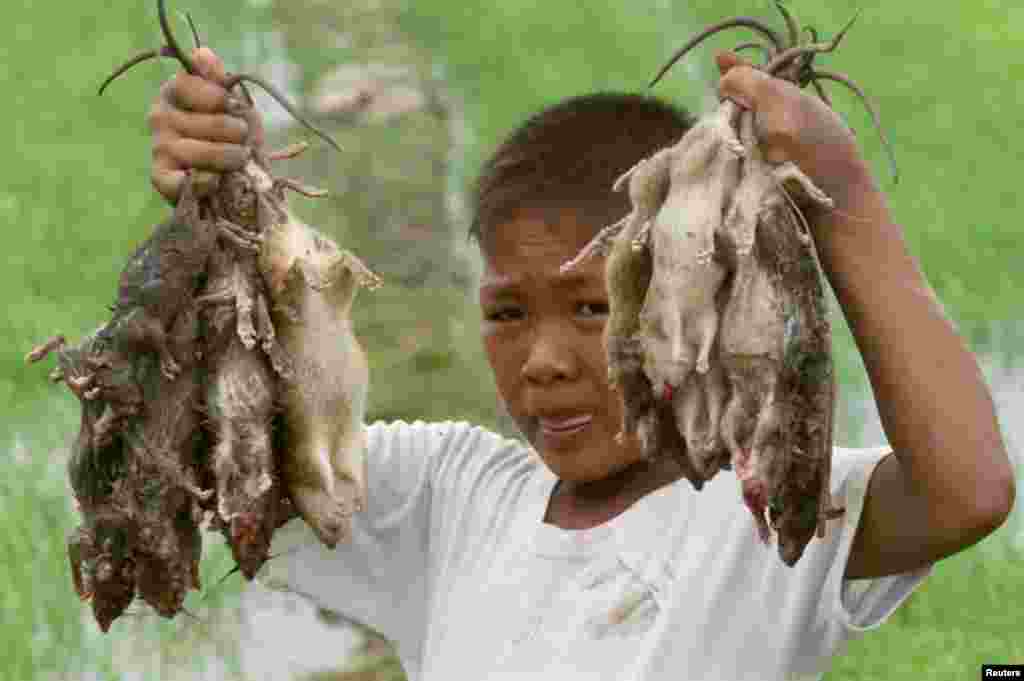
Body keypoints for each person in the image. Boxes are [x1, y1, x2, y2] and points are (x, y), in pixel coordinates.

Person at [147, 47, 1014, 680]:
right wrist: (222, 203)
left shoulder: (759, 515)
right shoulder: (451, 499)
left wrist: (841, 191)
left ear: (694, 306)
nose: (545, 361)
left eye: (595, 307)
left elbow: (965, 490)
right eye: (507, 313)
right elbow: (215, 464)